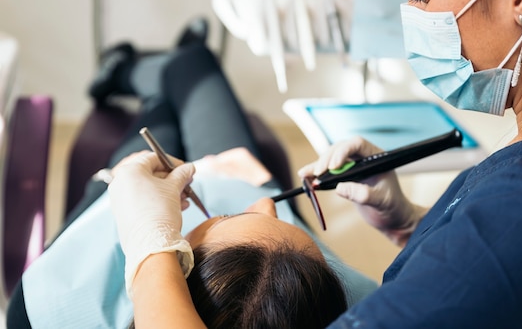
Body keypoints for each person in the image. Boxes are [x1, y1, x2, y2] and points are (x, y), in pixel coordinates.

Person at [112, 0, 522, 327]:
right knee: (188, 81)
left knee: (187, 79)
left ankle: (154, 72)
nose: (412, 15)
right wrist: (419, 228)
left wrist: (151, 249)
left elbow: (508, 259)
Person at [5, 33, 377, 328]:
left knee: (175, 90)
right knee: (193, 65)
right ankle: (157, 67)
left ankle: (125, 72)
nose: (267, 205)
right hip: (236, 172)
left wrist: (128, 205)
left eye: (225, 218)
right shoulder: (362, 305)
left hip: (126, 195)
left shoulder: (43, 310)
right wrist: (407, 227)